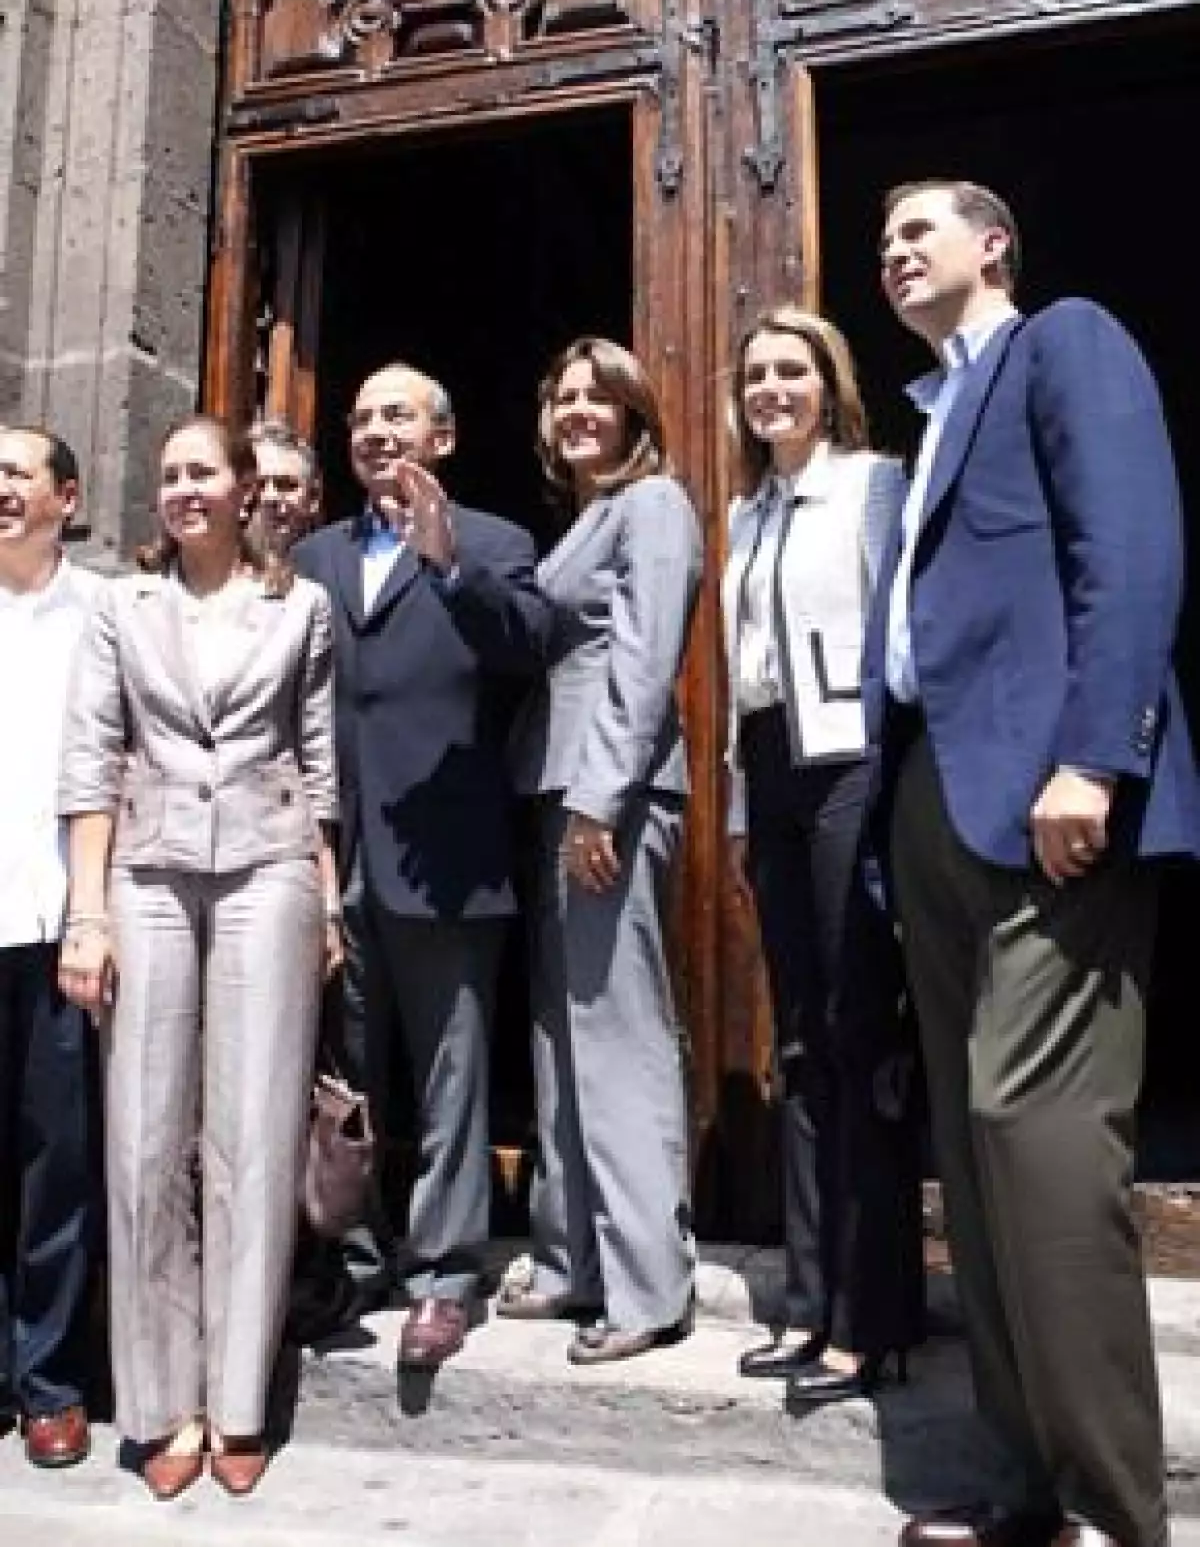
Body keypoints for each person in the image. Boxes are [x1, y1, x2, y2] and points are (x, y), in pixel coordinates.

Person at [864, 179, 1200, 1547]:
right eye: (882, 243)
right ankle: (1022, 1488)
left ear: (993, 245)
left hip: (1049, 787)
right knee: (974, 1143)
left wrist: (1097, 756)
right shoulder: (932, 414)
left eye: (917, 233)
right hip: (937, 803)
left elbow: (1132, 551)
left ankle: (1119, 1514)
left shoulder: (1066, 341)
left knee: (1039, 1138)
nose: (892, 253)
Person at [58, 414, 339, 1502]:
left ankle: (238, 1399)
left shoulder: (300, 607)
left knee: (255, 1134)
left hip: (270, 872)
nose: (181, 488)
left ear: (242, 488)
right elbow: (91, 760)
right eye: (167, 473)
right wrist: (88, 915)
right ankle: (161, 1398)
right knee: (142, 1135)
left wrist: (326, 901)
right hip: (150, 872)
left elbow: (320, 767)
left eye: (200, 472)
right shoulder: (118, 607)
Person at [293, 361, 554, 1369]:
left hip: (447, 853)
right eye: (359, 416)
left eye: (396, 413)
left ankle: (445, 1272)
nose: (374, 429)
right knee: (346, 1072)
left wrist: (449, 566)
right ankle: (356, 1253)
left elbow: (532, 645)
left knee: (452, 1069)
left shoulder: (493, 541)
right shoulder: (312, 554)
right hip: (327, 849)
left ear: (441, 437)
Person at [720, 304, 923, 1404]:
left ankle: (877, 1312)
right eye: (756, 374)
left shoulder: (872, 480)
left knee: (860, 1030)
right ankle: (811, 1303)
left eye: (792, 369)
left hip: (850, 761)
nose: (773, 389)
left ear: (828, 380)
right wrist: (745, 810)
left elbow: (898, 639)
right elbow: (745, 668)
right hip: (774, 766)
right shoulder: (748, 512)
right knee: (800, 1038)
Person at [504, 336, 702, 1365]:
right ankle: (572, 1251)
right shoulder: (583, 520)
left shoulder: (654, 505)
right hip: (557, 791)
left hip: (606, 799)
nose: (578, 409)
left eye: (598, 395)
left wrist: (599, 801)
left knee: (616, 1027)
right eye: (563, 395)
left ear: (633, 411)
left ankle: (648, 1284)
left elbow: (645, 657)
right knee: (560, 1031)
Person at [0, 427, 102, 1471]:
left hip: (61, 925)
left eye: (14, 472)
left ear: (66, 497)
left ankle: (51, 1381)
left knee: (55, 1164)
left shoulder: (105, 613)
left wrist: (98, 909)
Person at [249, 418, 321, 556]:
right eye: (258, 485)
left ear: (313, 497)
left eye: (285, 485)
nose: (270, 496)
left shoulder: (333, 572)